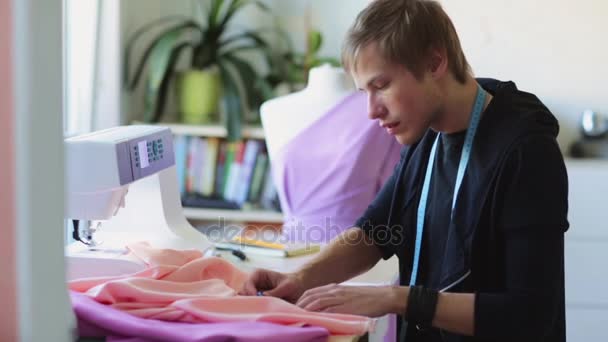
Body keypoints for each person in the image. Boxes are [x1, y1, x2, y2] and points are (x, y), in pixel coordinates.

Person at [240, 0, 569, 341]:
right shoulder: (426, 138)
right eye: (364, 92)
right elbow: (374, 232)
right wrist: (301, 278)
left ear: (434, 62)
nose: (371, 111)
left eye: (381, 85)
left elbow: (530, 315)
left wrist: (395, 298)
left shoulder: (526, 152)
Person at [260, 64, 401, 244]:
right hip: (291, 247)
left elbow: (393, 190)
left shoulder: (375, 113)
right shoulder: (273, 110)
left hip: (355, 249)